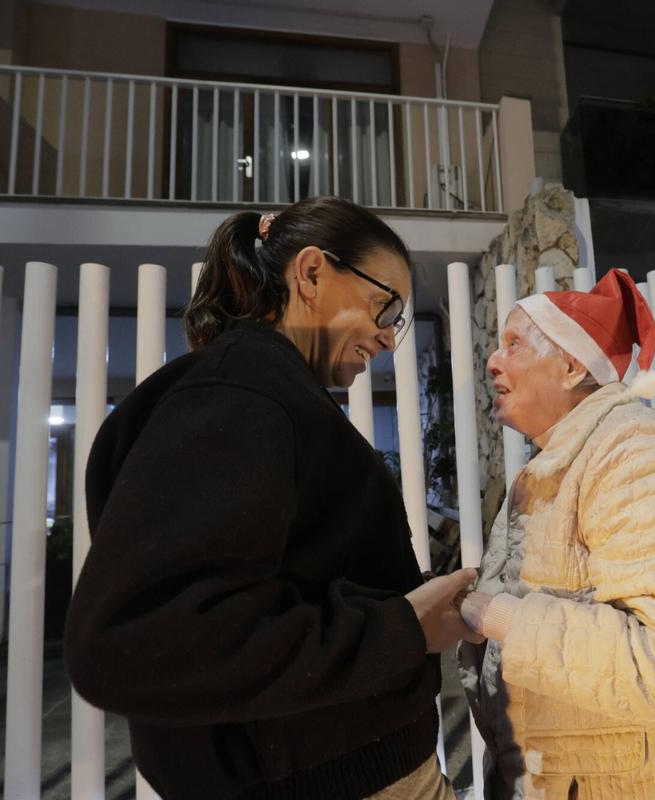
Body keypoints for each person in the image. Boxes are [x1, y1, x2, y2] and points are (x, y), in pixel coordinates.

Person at [65, 197, 482, 800]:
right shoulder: (242, 395)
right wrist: (401, 628)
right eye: (384, 306)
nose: (389, 338)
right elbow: (137, 639)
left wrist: (409, 607)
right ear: (311, 273)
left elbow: (288, 582)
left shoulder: (259, 393)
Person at [456, 269, 655, 800]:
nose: (493, 361)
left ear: (570, 367)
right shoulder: (558, 459)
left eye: (514, 344)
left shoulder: (638, 456)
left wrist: (495, 614)